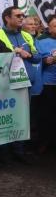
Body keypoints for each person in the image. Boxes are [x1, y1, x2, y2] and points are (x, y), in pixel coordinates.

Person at [0, 6, 42, 163]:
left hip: (24, 83)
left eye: (23, 15)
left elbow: (37, 57)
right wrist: (16, 51)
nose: (22, 18)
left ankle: (18, 150)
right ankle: (3, 152)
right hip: (5, 84)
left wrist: (27, 54)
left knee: (21, 118)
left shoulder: (26, 35)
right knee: (4, 117)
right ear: (7, 18)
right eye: (18, 15)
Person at [36, 15, 56, 152]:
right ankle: (44, 142)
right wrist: (50, 59)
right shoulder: (41, 41)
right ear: (48, 27)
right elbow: (40, 59)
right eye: (55, 25)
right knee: (46, 115)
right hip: (49, 83)